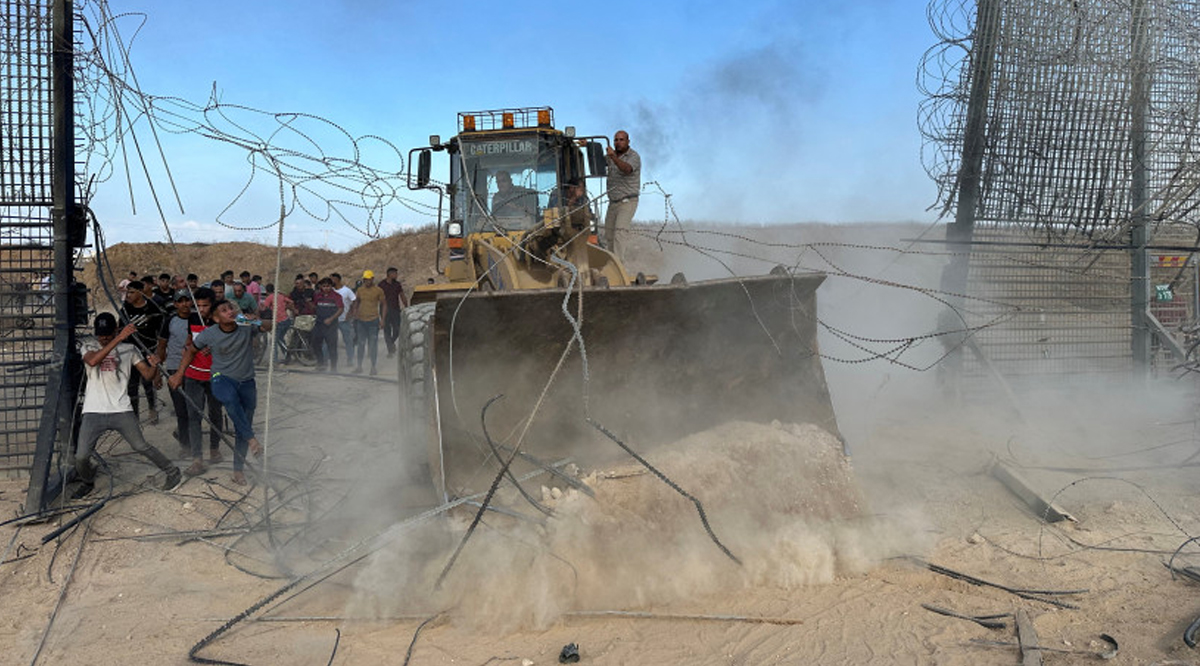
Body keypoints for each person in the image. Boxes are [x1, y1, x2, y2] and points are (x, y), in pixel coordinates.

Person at [75, 313, 182, 497]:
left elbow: (147, 375)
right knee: (81, 456)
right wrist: (118, 338)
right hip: (94, 409)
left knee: (141, 446)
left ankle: (173, 472)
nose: (104, 337)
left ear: (115, 330)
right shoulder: (88, 346)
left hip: (121, 408)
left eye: (108, 333)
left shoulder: (129, 349)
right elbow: (93, 361)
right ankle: (87, 480)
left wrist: (155, 365)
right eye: (101, 334)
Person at [187, 300, 272, 486]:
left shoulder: (245, 327)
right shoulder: (209, 334)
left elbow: (269, 325)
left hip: (247, 381)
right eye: (224, 311)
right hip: (221, 378)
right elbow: (191, 350)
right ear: (216, 318)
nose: (230, 312)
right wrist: (178, 374)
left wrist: (255, 320)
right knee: (230, 400)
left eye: (231, 308)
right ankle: (252, 440)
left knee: (243, 422)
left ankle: (238, 470)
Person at [167, 287, 225, 467]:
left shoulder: (222, 320)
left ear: (212, 304)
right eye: (198, 305)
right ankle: (197, 458)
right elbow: (189, 342)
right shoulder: (193, 319)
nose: (201, 310)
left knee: (215, 413)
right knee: (194, 415)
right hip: (193, 373)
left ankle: (214, 449)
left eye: (205, 305)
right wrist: (180, 371)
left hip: (215, 374)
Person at [157, 290, 200, 470]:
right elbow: (162, 345)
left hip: (195, 367)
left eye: (186, 300)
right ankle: (185, 445)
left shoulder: (198, 319)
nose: (184, 304)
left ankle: (193, 441)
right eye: (179, 301)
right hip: (174, 367)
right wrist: (158, 371)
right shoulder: (170, 321)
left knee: (195, 408)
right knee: (181, 409)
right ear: (175, 304)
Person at [120, 280, 164, 424]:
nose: (129, 295)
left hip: (148, 351)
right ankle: (135, 416)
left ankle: (152, 409)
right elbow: (120, 330)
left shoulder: (152, 308)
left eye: (132, 292)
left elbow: (160, 333)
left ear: (140, 292)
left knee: (148, 382)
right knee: (132, 386)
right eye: (128, 292)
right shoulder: (125, 309)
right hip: (130, 352)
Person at [604, 130, 641, 259]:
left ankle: (619, 268)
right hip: (613, 202)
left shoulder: (633, 156)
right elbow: (596, 161)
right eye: (616, 140)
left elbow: (627, 169)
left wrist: (613, 157)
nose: (618, 143)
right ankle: (611, 264)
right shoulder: (610, 157)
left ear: (628, 142)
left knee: (619, 233)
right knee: (608, 235)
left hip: (627, 201)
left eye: (621, 140)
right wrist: (587, 145)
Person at [351, 270, 386, 375]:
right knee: (361, 344)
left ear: (373, 279)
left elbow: (384, 304)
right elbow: (356, 302)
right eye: (366, 279)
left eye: (369, 279)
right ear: (363, 280)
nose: (368, 281)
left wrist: (383, 319)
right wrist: (355, 313)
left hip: (373, 320)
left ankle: (373, 367)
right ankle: (359, 366)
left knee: (372, 345)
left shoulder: (378, 290)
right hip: (361, 321)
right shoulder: (360, 290)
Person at [311, 277, 344, 372]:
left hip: (331, 326)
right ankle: (321, 364)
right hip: (319, 324)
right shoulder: (317, 295)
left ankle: (333, 368)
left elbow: (341, 309)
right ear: (321, 286)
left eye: (328, 286)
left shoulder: (336, 296)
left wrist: (331, 318)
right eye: (324, 286)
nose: (326, 288)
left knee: (332, 347)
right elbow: (314, 307)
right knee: (315, 343)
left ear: (331, 286)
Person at [259, 284, 295, 364]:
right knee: (280, 339)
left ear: (267, 291)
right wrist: (284, 307)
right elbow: (291, 302)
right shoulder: (280, 296)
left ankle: (274, 360)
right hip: (286, 319)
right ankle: (287, 356)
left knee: (274, 341)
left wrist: (260, 307)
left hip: (279, 321)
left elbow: (264, 308)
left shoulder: (269, 297)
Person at [378, 267, 408, 358]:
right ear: (389, 274)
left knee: (397, 329)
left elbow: (402, 295)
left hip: (395, 309)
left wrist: (406, 306)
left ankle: (391, 342)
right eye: (395, 273)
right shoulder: (381, 285)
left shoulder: (397, 285)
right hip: (384, 309)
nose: (396, 275)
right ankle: (390, 350)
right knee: (387, 330)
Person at [331, 273, 357, 366]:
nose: (331, 281)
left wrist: (351, 313)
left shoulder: (347, 291)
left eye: (333, 279)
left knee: (348, 341)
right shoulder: (331, 291)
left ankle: (350, 360)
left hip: (344, 320)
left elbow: (354, 301)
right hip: (333, 320)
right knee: (330, 341)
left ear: (338, 280)